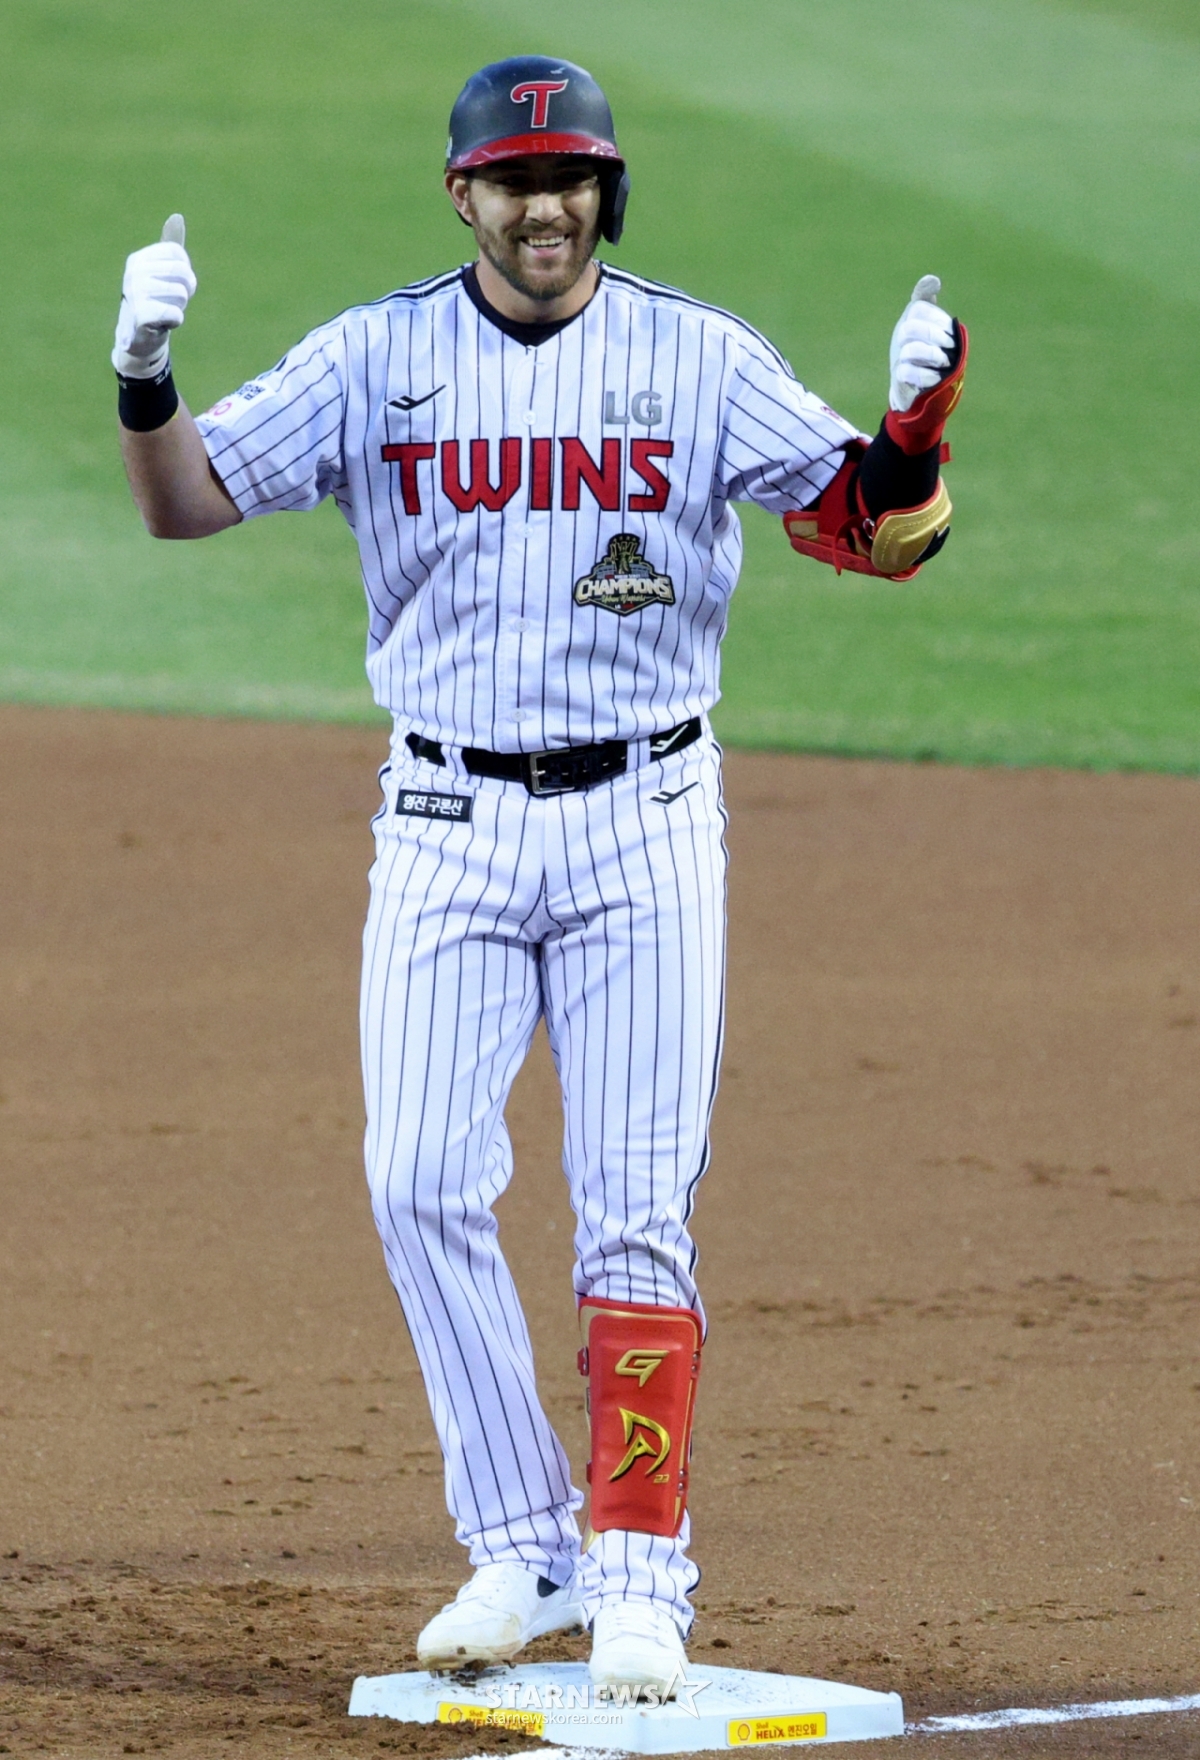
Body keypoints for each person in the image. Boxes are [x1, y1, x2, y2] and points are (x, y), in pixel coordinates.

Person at [112, 55, 967, 1694]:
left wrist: (916, 425)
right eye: (516, 182)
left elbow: (886, 533)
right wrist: (147, 375)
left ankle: (642, 1571)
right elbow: (185, 506)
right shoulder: (378, 357)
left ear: (605, 189)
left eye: (573, 177)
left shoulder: (695, 356)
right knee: (418, 1179)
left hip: (645, 821)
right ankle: (526, 1546)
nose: (547, 206)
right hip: (442, 824)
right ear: (463, 197)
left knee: (634, 1221)